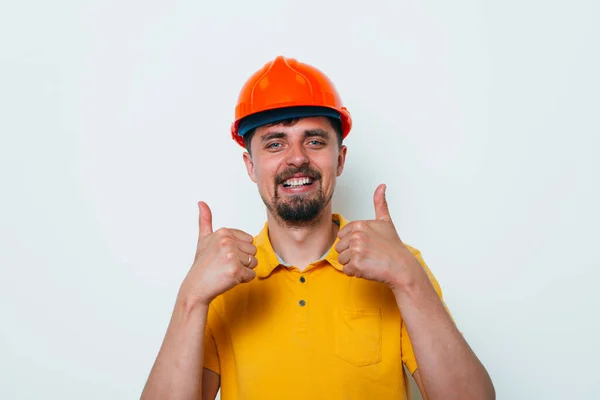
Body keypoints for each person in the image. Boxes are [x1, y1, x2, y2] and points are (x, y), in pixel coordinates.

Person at [140, 56, 495, 400]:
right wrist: (190, 298)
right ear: (250, 166)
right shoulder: (219, 281)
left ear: (339, 159)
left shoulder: (398, 267)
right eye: (275, 143)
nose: (296, 157)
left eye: (314, 141)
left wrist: (408, 279)